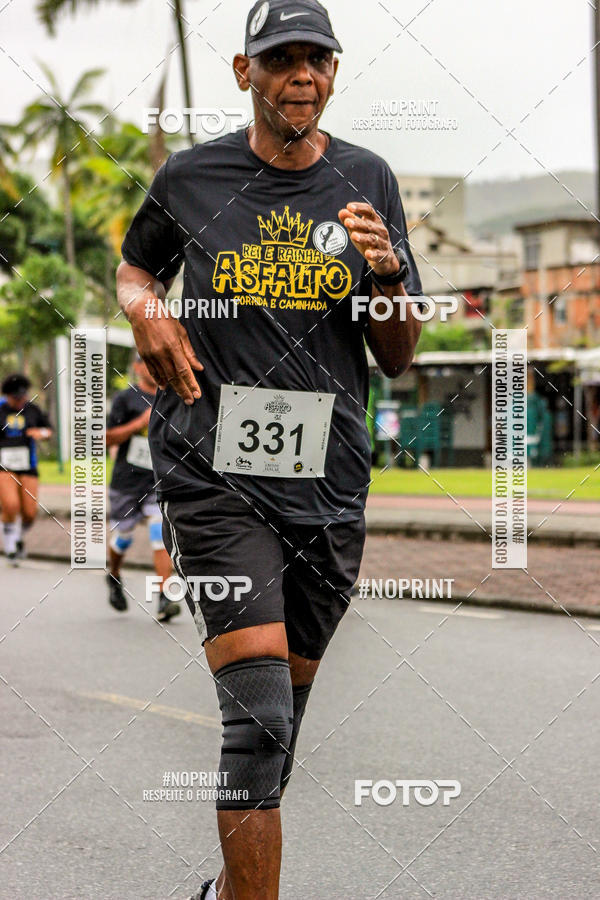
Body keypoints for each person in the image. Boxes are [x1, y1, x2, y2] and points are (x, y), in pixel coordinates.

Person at [117, 0, 423, 895]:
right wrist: (148, 311)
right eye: (280, 58)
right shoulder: (191, 177)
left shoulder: (367, 179)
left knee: (279, 725)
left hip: (329, 485)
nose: (301, 75)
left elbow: (397, 355)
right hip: (213, 473)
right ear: (243, 71)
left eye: (315, 59)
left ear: (334, 72)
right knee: (255, 728)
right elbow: (136, 267)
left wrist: (388, 275)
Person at [106, 355, 180, 622]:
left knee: (159, 533)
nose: (153, 368)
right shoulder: (125, 399)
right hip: (126, 482)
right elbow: (106, 438)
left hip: (157, 481)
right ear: (137, 367)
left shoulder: (172, 396)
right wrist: (140, 423)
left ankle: (164, 596)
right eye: (147, 363)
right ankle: (114, 574)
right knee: (123, 537)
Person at [0, 373, 53, 566]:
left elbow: (48, 430)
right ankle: (10, 548)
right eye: (16, 398)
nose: (20, 401)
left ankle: (18, 538)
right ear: (7, 396)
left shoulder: (32, 410)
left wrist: (41, 433)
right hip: (4, 466)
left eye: (22, 397)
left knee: (29, 513)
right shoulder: (1, 410)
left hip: (28, 465)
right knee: (10, 505)